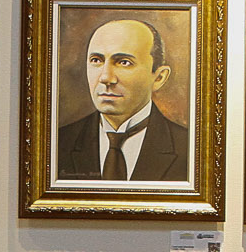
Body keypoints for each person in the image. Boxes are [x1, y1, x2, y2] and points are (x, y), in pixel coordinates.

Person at [55, 17, 190, 183]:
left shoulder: (189, 149)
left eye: (124, 62)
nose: (105, 77)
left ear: (159, 78)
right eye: (96, 60)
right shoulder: (58, 143)